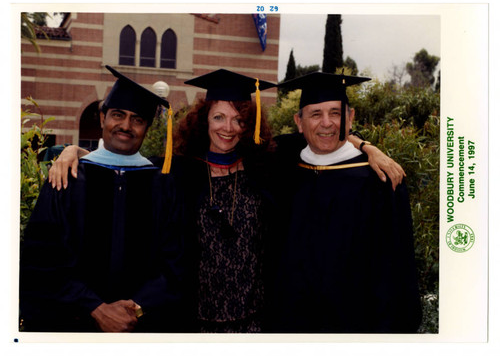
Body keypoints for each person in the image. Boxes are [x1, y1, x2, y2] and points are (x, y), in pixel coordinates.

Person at [46, 69, 406, 333]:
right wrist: (73, 152)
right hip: (189, 322)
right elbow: (121, 156)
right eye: (219, 117)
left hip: (257, 323)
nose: (228, 128)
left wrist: (366, 147)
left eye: (239, 119)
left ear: (249, 123)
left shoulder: (269, 166)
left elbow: (321, 138)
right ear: (204, 121)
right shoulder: (177, 172)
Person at [19, 65, 185, 333]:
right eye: (118, 115)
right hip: (73, 327)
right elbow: (42, 258)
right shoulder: (66, 177)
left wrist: (136, 308)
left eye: (137, 119)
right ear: (102, 118)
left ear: (146, 127)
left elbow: (175, 263)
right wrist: (94, 307)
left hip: (140, 327)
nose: (126, 126)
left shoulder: (162, 185)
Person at [267, 72, 422, 333]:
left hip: (357, 327)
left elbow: (397, 273)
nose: (326, 123)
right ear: (299, 121)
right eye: (315, 114)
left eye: (336, 113)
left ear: (350, 118)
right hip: (293, 324)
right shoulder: (284, 168)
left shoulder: (381, 181)